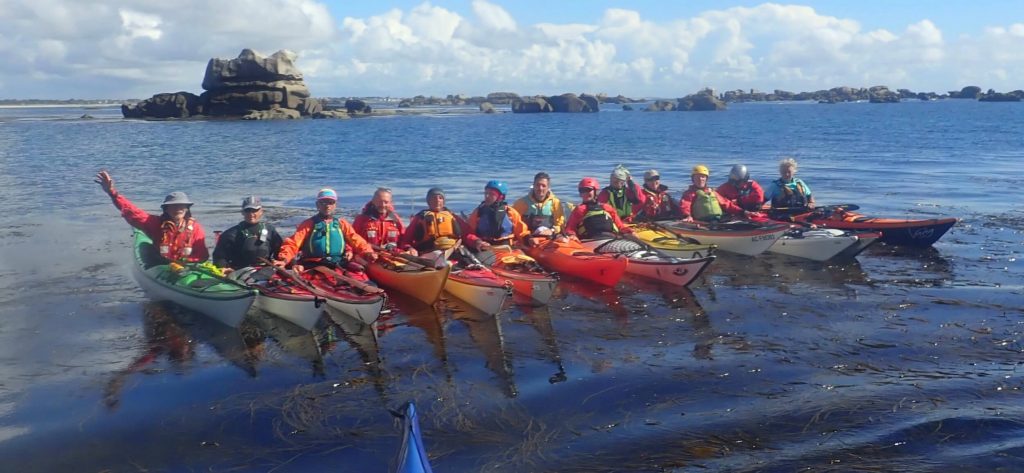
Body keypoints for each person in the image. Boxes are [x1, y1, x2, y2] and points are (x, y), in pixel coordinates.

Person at [95, 170, 209, 263]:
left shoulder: (196, 228)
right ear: (166, 209)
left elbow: (202, 255)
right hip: (161, 264)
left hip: (185, 266)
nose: (178, 209)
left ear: (186, 209)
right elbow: (131, 211)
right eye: (173, 206)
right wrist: (112, 193)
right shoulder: (155, 223)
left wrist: (186, 263)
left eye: (181, 206)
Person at [274, 188, 377, 271]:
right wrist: (284, 259)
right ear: (317, 205)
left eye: (330, 202)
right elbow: (293, 243)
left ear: (335, 205)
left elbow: (357, 241)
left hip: (338, 263)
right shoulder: (308, 224)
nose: (327, 206)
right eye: (323, 203)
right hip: (312, 264)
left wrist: (368, 252)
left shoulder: (342, 224)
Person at [211, 196, 283, 272]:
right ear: (242, 212)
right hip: (239, 272)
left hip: (266, 271)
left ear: (261, 211)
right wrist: (223, 268)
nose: (251, 214)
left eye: (254, 210)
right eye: (248, 210)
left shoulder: (270, 230)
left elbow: (280, 252)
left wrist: (282, 262)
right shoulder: (230, 234)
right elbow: (219, 257)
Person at [465, 180, 530, 251]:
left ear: (501, 197)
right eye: (486, 193)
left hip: (506, 246)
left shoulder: (510, 212)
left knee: (525, 261)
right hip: (486, 247)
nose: (487, 196)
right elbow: (468, 232)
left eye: (491, 194)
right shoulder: (478, 212)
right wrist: (477, 241)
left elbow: (521, 231)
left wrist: (528, 238)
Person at [401, 187, 469, 254]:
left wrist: (476, 242)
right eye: (433, 198)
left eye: (440, 198)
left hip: (452, 249)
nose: (437, 200)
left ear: (444, 201)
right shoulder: (420, 217)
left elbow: (467, 234)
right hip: (429, 250)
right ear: (428, 201)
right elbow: (406, 241)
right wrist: (409, 248)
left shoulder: (452, 216)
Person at [564, 177, 634, 239]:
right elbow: (570, 228)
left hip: (610, 239)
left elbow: (620, 227)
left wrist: (629, 232)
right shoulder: (579, 210)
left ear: (595, 191)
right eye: (582, 191)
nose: (585, 193)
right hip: (589, 241)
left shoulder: (607, 208)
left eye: (588, 190)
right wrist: (572, 235)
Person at [679, 165, 753, 223]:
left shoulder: (712, 192)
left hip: (718, 221)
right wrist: (687, 216)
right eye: (697, 177)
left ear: (706, 179)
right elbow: (685, 205)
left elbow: (727, 204)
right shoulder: (689, 193)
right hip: (701, 222)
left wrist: (743, 212)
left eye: (703, 177)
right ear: (693, 179)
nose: (700, 179)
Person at [352, 187, 408, 253]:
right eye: (379, 202)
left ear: (390, 202)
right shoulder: (361, 219)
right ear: (373, 201)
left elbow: (404, 239)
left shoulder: (395, 219)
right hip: (367, 256)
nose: (383, 205)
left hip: (391, 256)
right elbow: (351, 239)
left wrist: (409, 248)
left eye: (386, 202)